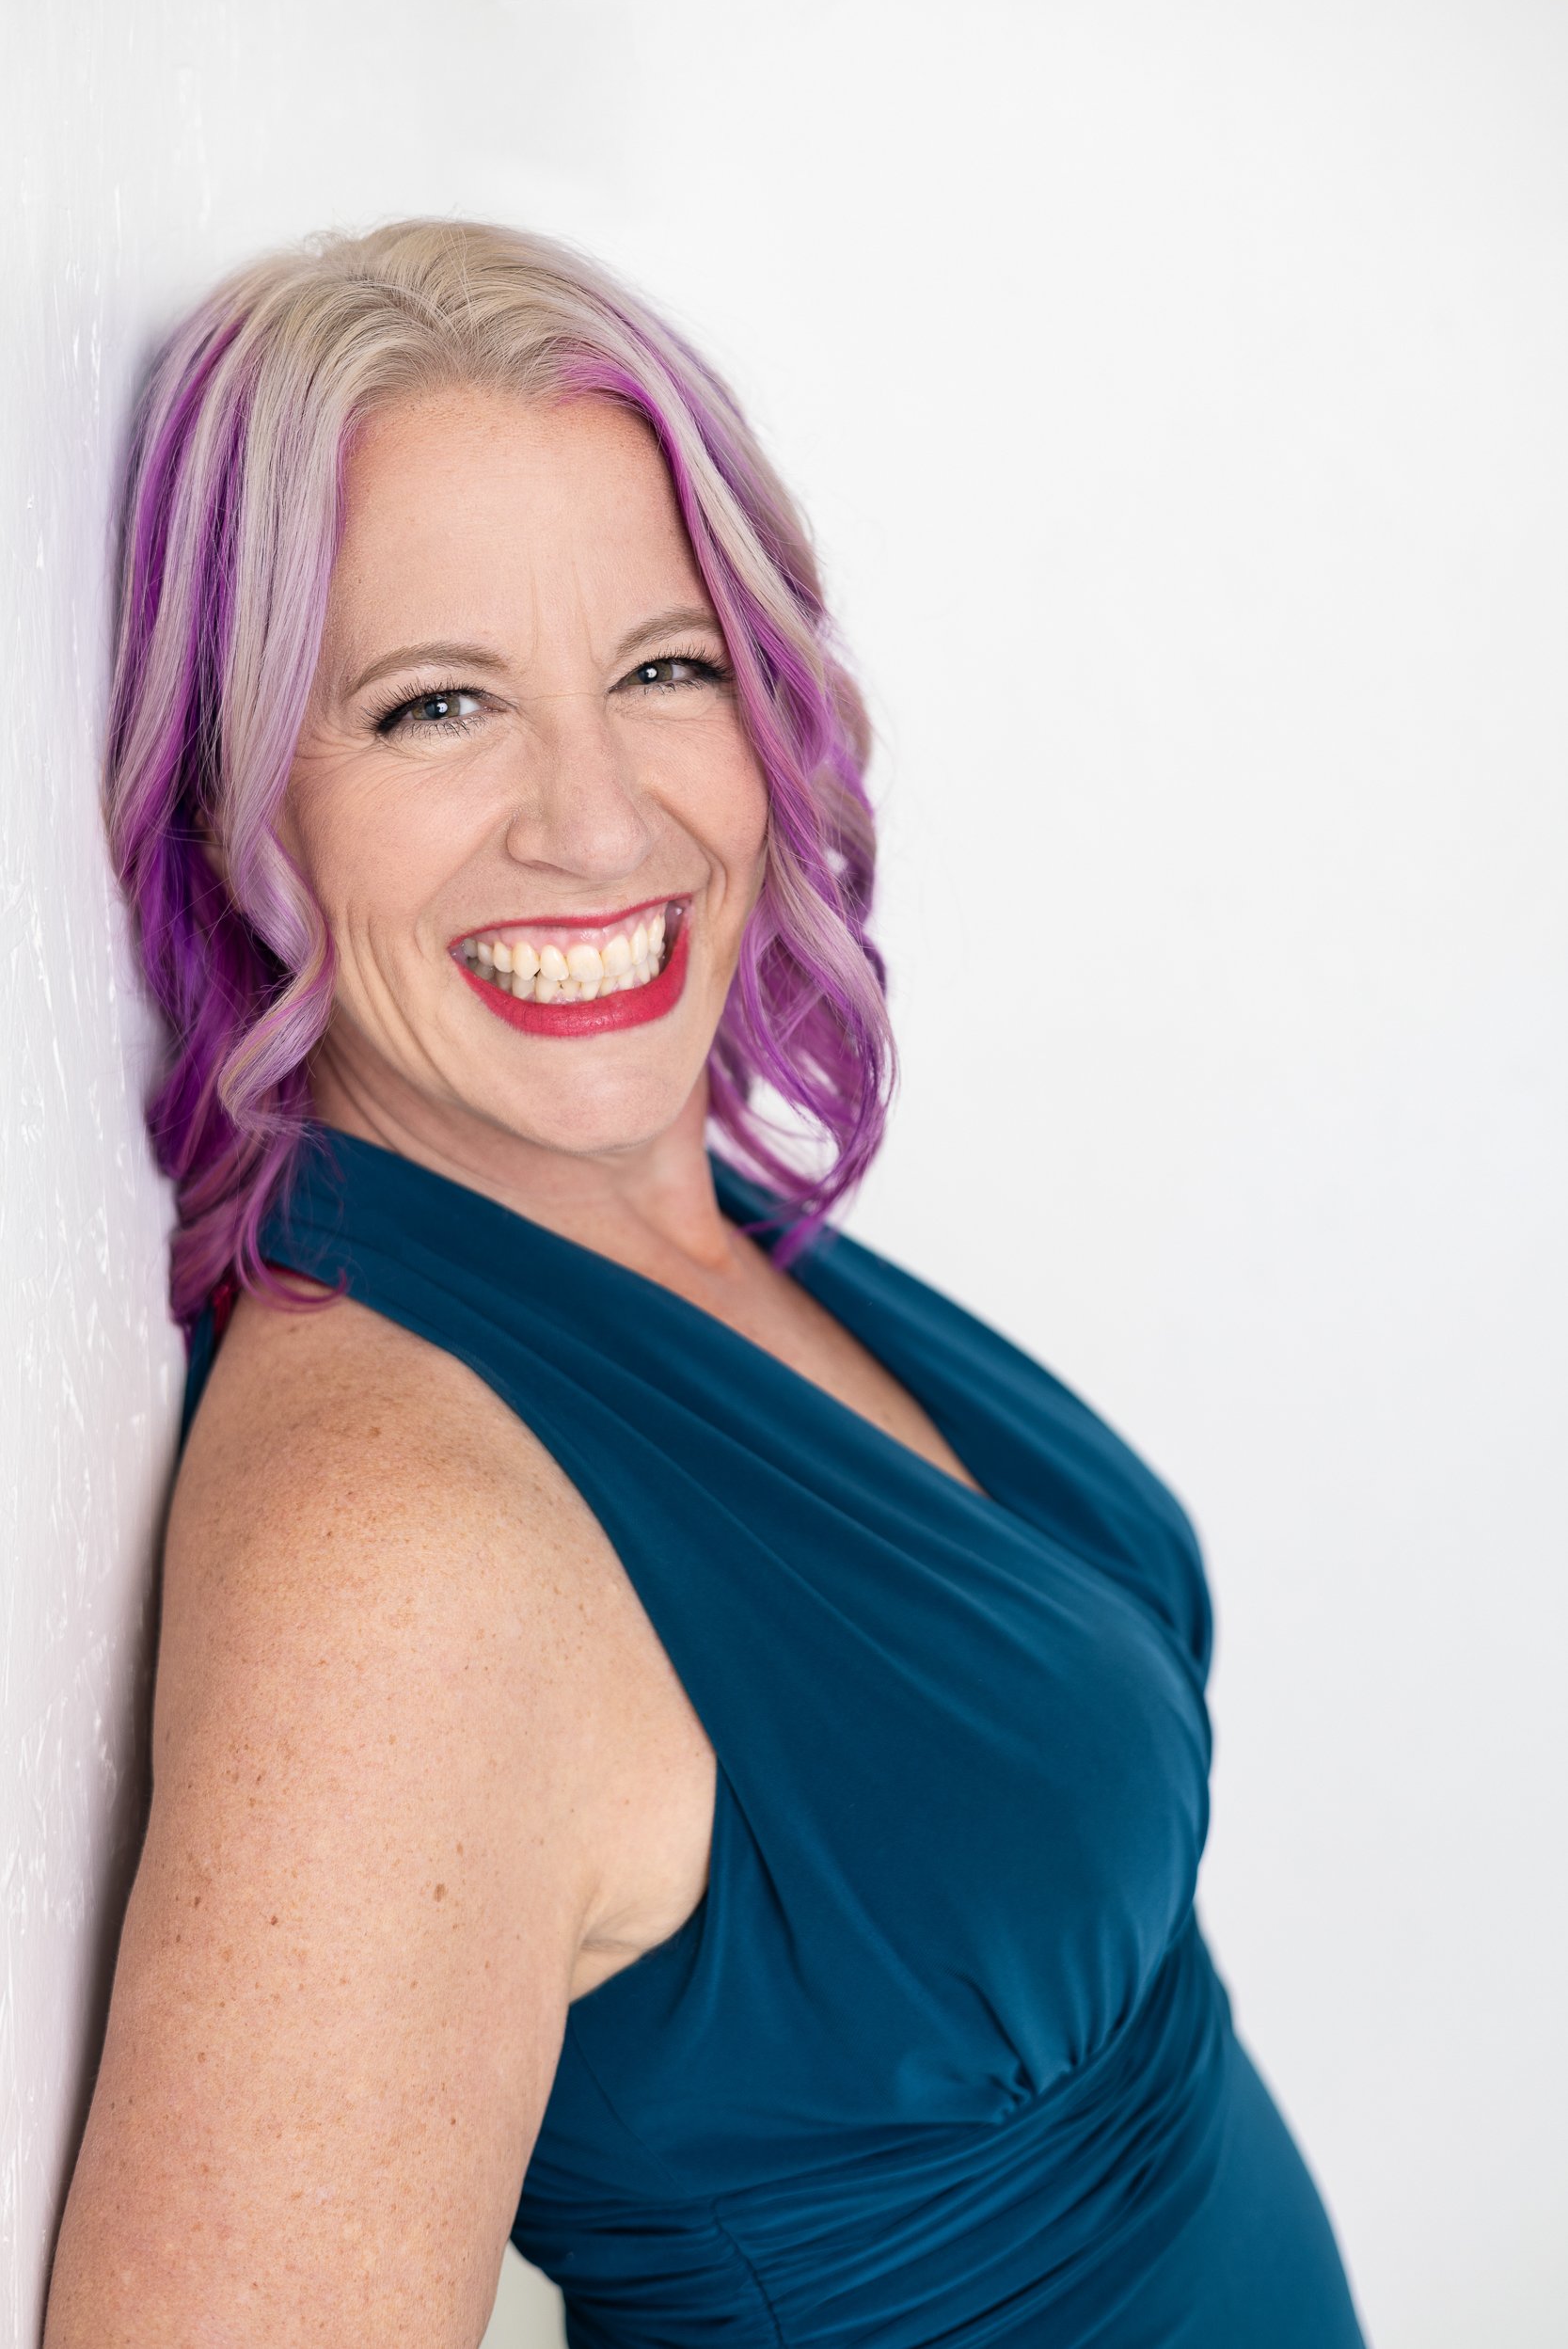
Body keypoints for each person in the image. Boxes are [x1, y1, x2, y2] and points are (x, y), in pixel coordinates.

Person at [44, 218, 1369, 2348]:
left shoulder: (671, 1223)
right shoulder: (401, 1555)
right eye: (435, 703)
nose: (598, 819)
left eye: (665, 669)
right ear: (236, 796)